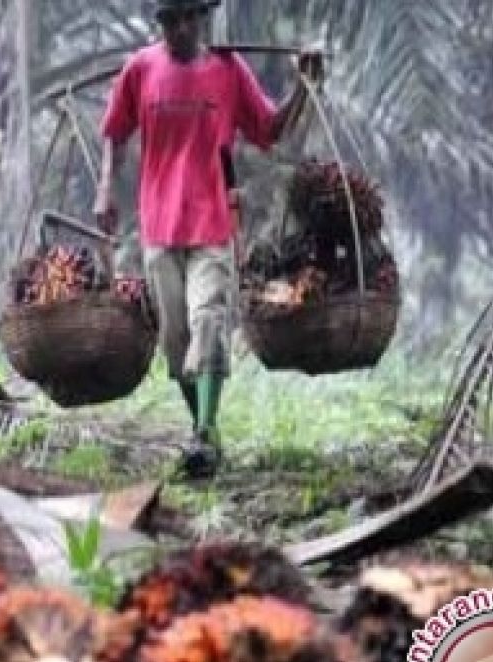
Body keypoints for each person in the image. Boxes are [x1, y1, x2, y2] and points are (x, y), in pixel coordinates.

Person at [93, 0, 323, 479]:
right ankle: (203, 429)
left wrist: (306, 84)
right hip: (159, 224)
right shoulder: (141, 69)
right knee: (176, 341)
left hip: (213, 222)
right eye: (169, 20)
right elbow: (114, 132)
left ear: (201, 19)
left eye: (186, 18)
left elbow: (270, 130)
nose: (178, 28)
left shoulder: (227, 69)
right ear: (161, 24)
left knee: (209, 321)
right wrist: (104, 190)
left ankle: (204, 432)